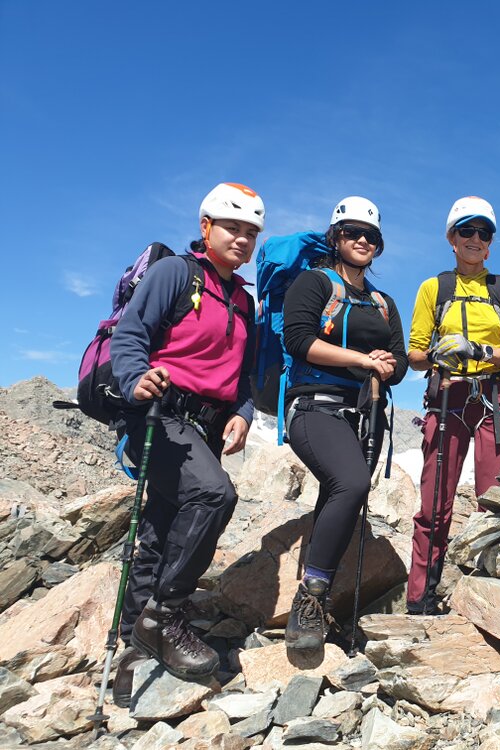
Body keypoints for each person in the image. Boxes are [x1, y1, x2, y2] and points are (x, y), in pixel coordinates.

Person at [109, 182, 263, 705]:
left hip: (207, 425)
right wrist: (134, 379)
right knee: (215, 496)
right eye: (232, 228)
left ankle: (133, 642)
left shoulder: (244, 300)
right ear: (206, 228)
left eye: (250, 232)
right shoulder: (176, 273)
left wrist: (242, 416)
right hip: (160, 413)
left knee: (161, 526)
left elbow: (242, 377)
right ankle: (165, 613)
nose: (242, 239)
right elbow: (132, 334)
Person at [281, 196, 408, 648]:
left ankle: (325, 597)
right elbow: (298, 340)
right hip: (314, 405)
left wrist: (386, 365)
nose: (362, 241)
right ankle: (310, 598)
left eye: (370, 236)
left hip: (364, 412)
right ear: (335, 237)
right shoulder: (314, 282)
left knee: (339, 491)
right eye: (352, 232)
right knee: (351, 484)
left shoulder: (383, 301)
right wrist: (362, 359)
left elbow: (401, 361)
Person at [405, 196, 500, 614]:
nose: (475, 239)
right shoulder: (433, 289)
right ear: (451, 238)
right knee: (434, 503)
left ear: (491, 243)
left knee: (495, 500)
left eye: (484, 232)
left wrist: (476, 348)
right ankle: (421, 596)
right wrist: (441, 354)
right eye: (467, 230)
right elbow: (414, 354)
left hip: (496, 399)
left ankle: (491, 598)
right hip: (447, 397)